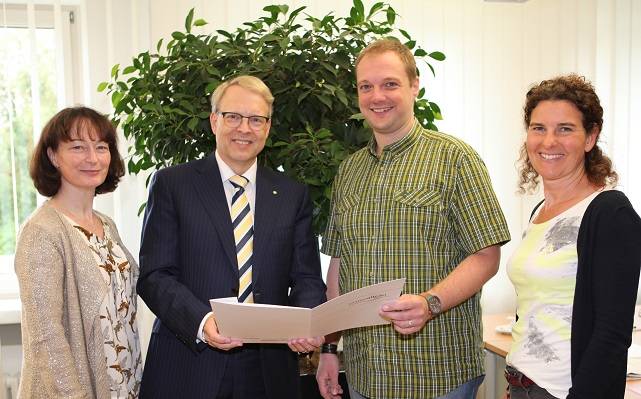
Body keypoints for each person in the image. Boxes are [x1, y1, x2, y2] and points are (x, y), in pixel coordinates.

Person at [316, 38, 511, 399]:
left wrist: (429, 303)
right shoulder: (349, 170)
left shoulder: (455, 158)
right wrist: (330, 349)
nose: (377, 96)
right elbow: (339, 267)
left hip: (436, 373)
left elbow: (487, 256)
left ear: (414, 85)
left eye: (390, 84)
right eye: (366, 86)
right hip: (364, 374)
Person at [137, 75, 327, 399]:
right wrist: (203, 321)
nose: (244, 128)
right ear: (214, 121)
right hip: (190, 363)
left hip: (269, 369)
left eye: (256, 119)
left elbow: (307, 277)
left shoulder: (292, 194)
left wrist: (306, 321)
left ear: (267, 127)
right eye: (233, 116)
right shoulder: (173, 185)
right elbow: (155, 276)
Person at [504, 74, 641, 399]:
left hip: (565, 391)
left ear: (590, 137)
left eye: (565, 129)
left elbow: (612, 333)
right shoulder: (540, 211)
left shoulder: (610, 214)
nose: (549, 142)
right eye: (539, 128)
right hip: (522, 384)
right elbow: (533, 307)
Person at [15, 106, 142, 398]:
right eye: (78, 147)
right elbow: (46, 337)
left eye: (101, 147)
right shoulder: (42, 232)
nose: (93, 158)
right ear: (53, 156)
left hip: (122, 385)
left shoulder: (106, 225)